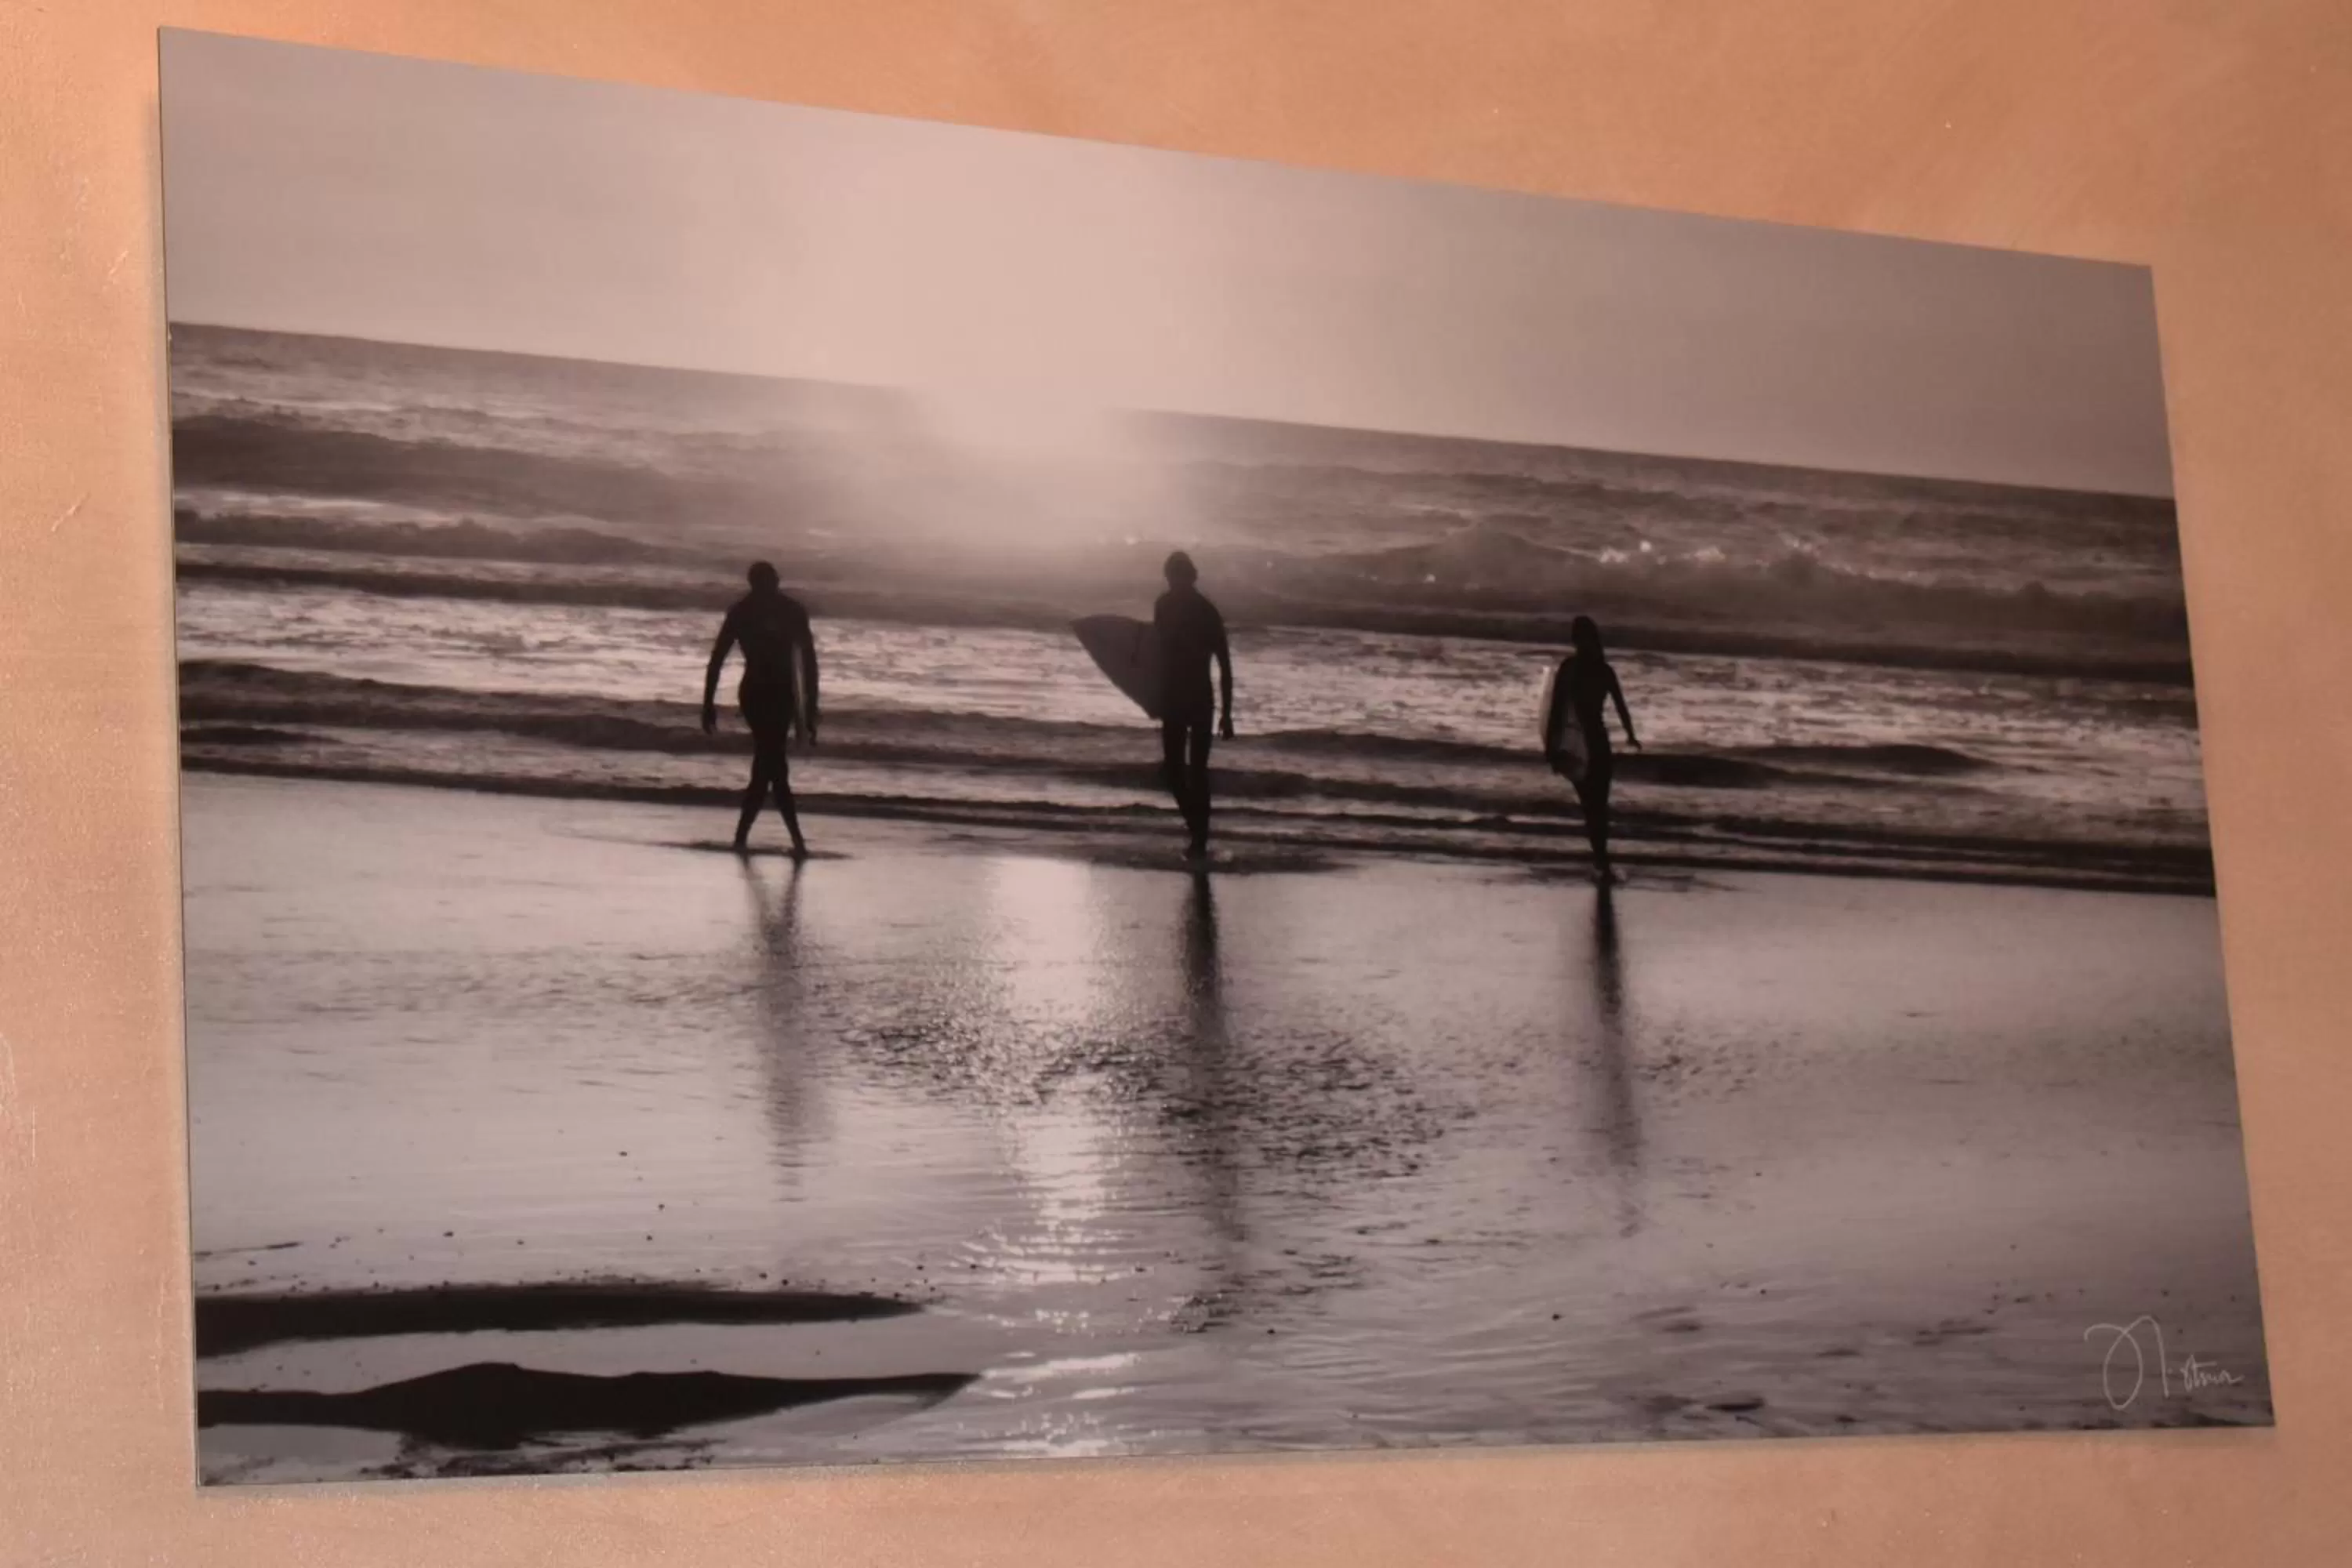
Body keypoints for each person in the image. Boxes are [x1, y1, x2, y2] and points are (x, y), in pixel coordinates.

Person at [702, 561, 820, 857]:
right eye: (767, 582)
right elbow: (717, 658)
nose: (772, 587)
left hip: (783, 695)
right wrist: (707, 704)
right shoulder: (743, 611)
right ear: (758, 584)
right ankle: (796, 842)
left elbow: (809, 661)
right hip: (757, 694)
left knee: (767, 765)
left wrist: (810, 705)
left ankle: (743, 838)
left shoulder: (790, 611)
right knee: (773, 763)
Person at [1543, 615, 1640, 881]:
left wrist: (1551, 745)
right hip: (1596, 742)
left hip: (1578, 745)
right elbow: (1621, 706)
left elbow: (1556, 710)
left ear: (1576, 639)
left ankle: (1601, 860)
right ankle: (1602, 860)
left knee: (1591, 805)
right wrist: (1631, 735)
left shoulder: (1570, 668)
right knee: (1598, 805)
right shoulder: (1603, 669)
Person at [1152, 550, 1235, 858]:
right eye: (1171, 578)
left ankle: (1199, 839)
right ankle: (1197, 831)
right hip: (1174, 698)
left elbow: (1225, 665)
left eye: (1180, 578)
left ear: (1191, 578)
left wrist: (1227, 714)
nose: (1175, 584)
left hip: (1200, 699)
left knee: (1198, 773)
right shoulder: (1163, 605)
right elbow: (1156, 656)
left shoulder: (1207, 613)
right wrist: (1151, 697)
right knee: (1173, 772)